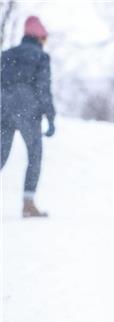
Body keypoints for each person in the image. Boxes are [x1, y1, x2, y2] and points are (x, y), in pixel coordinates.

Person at [1, 16, 55, 218]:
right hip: (28, 112)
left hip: (3, 109)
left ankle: (28, 204)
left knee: (0, 155)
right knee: (34, 155)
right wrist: (50, 117)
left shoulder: (6, 55)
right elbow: (43, 88)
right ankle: (28, 203)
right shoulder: (41, 58)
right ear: (39, 37)